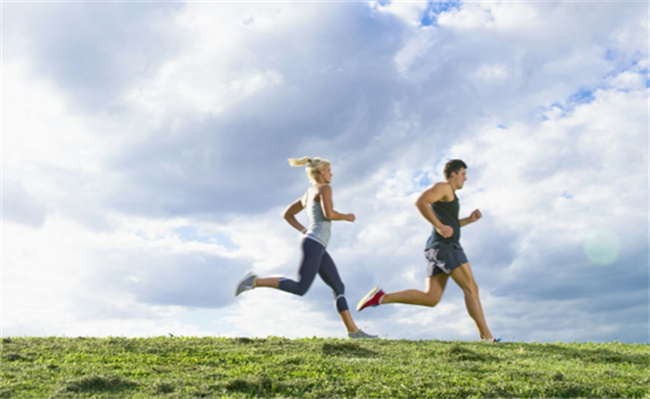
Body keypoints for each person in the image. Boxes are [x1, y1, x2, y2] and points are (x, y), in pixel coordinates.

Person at [356, 160, 499, 342]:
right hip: (446, 247)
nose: (466, 178)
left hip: (437, 248)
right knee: (471, 288)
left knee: (431, 298)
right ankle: (487, 338)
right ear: (453, 174)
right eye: (463, 174)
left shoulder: (450, 195)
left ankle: (381, 297)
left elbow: (451, 225)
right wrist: (438, 226)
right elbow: (421, 202)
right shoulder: (444, 187)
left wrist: (469, 220)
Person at [236, 156, 377, 339]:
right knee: (300, 288)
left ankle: (353, 331)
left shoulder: (308, 193)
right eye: (329, 171)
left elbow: (288, 214)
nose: (331, 174)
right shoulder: (325, 188)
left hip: (315, 244)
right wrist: (346, 216)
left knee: (338, 286)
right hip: (314, 244)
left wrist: (304, 229)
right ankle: (255, 281)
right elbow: (329, 213)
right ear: (320, 172)